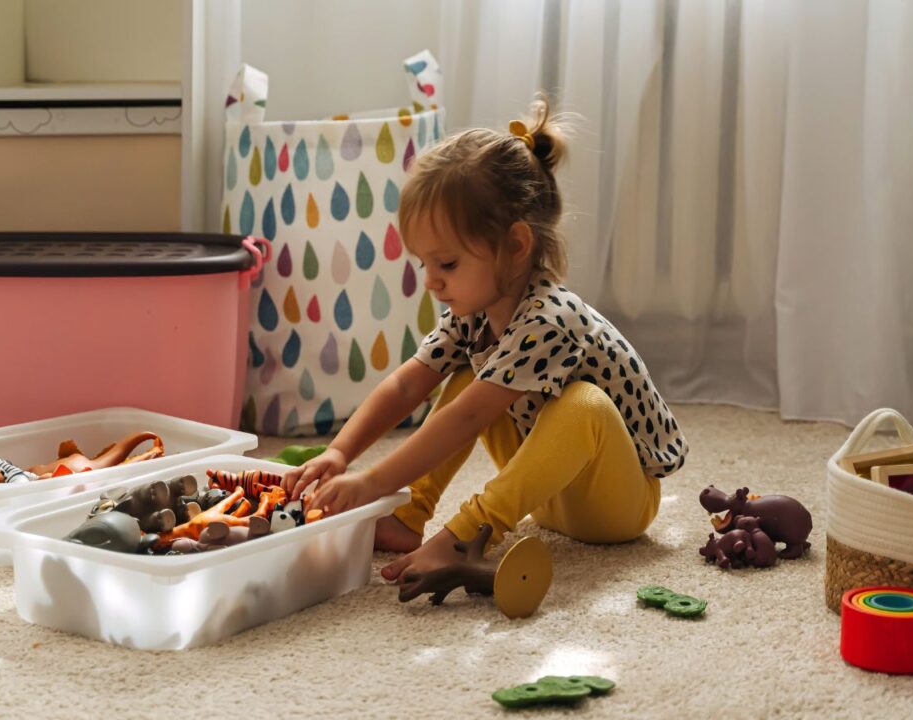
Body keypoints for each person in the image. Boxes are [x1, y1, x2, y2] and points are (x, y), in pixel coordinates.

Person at [283, 96, 687, 585]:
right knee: (468, 371)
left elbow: (470, 416)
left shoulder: (550, 318)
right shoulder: (472, 314)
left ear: (516, 246)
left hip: (615, 507)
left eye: (447, 264)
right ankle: (410, 516)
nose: (431, 281)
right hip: (545, 495)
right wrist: (339, 453)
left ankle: (467, 534)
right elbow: (407, 386)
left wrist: (372, 482)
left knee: (583, 404)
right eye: (424, 264)